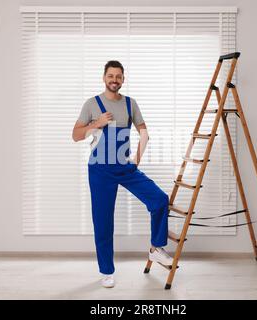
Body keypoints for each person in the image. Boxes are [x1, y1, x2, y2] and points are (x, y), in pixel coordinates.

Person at [72, 60, 173, 288]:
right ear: (104, 77)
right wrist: (96, 123)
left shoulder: (130, 104)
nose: (114, 80)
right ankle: (106, 271)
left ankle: (157, 247)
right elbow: (76, 135)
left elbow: (144, 132)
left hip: (124, 166)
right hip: (100, 170)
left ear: (123, 79)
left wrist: (135, 160)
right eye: (111, 76)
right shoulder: (92, 104)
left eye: (118, 76)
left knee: (159, 199)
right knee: (103, 222)